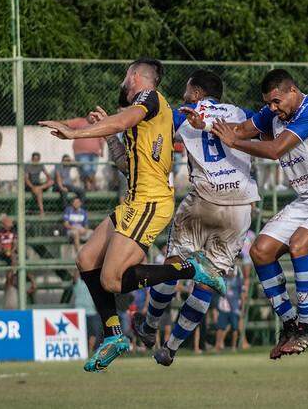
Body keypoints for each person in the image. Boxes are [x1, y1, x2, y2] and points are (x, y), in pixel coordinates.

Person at [39, 58, 223, 372]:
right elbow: (127, 163)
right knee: (86, 260)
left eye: (126, 75)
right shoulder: (147, 116)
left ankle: (188, 269)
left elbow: (123, 121)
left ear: (134, 76)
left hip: (150, 202)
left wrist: (75, 133)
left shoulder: (148, 99)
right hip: (135, 201)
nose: (123, 81)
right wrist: (110, 136)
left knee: (111, 279)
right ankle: (113, 336)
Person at [211, 68, 308, 357]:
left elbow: (274, 149)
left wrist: (235, 142)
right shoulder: (275, 113)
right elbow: (240, 129)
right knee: (261, 251)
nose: (272, 108)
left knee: (299, 245)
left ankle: (307, 328)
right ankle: (290, 324)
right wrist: (205, 124)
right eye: (268, 103)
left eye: (276, 101)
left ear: (292, 91)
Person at [132, 69, 259, 366]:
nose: (184, 94)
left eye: (188, 89)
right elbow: (265, 126)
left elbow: (152, 130)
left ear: (198, 93)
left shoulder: (185, 113)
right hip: (240, 206)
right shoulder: (242, 113)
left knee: (175, 266)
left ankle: (150, 326)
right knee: (209, 281)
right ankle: (171, 348)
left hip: (203, 201)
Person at [64, 116, 104, 191]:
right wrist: (54, 123)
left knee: (92, 171)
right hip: (81, 153)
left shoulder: (98, 124)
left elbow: (101, 138)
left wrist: (102, 150)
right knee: (86, 171)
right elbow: (67, 123)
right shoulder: (79, 121)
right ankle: (94, 186)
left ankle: (88, 188)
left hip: (95, 153)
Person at [215, 266, 244, 351]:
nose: (230, 272)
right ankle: (218, 345)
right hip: (224, 306)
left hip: (234, 307)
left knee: (235, 328)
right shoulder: (223, 279)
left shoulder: (238, 280)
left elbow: (242, 294)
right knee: (220, 327)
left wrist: (242, 307)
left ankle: (233, 346)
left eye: (232, 270)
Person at [73, 271, 102, 351]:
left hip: (91, 312)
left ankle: (90, 350)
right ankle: (83, 350)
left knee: (93, 333)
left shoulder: (93, 284)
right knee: (80, 333)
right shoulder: (79, 283)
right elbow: (75, 276)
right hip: (79, 312)